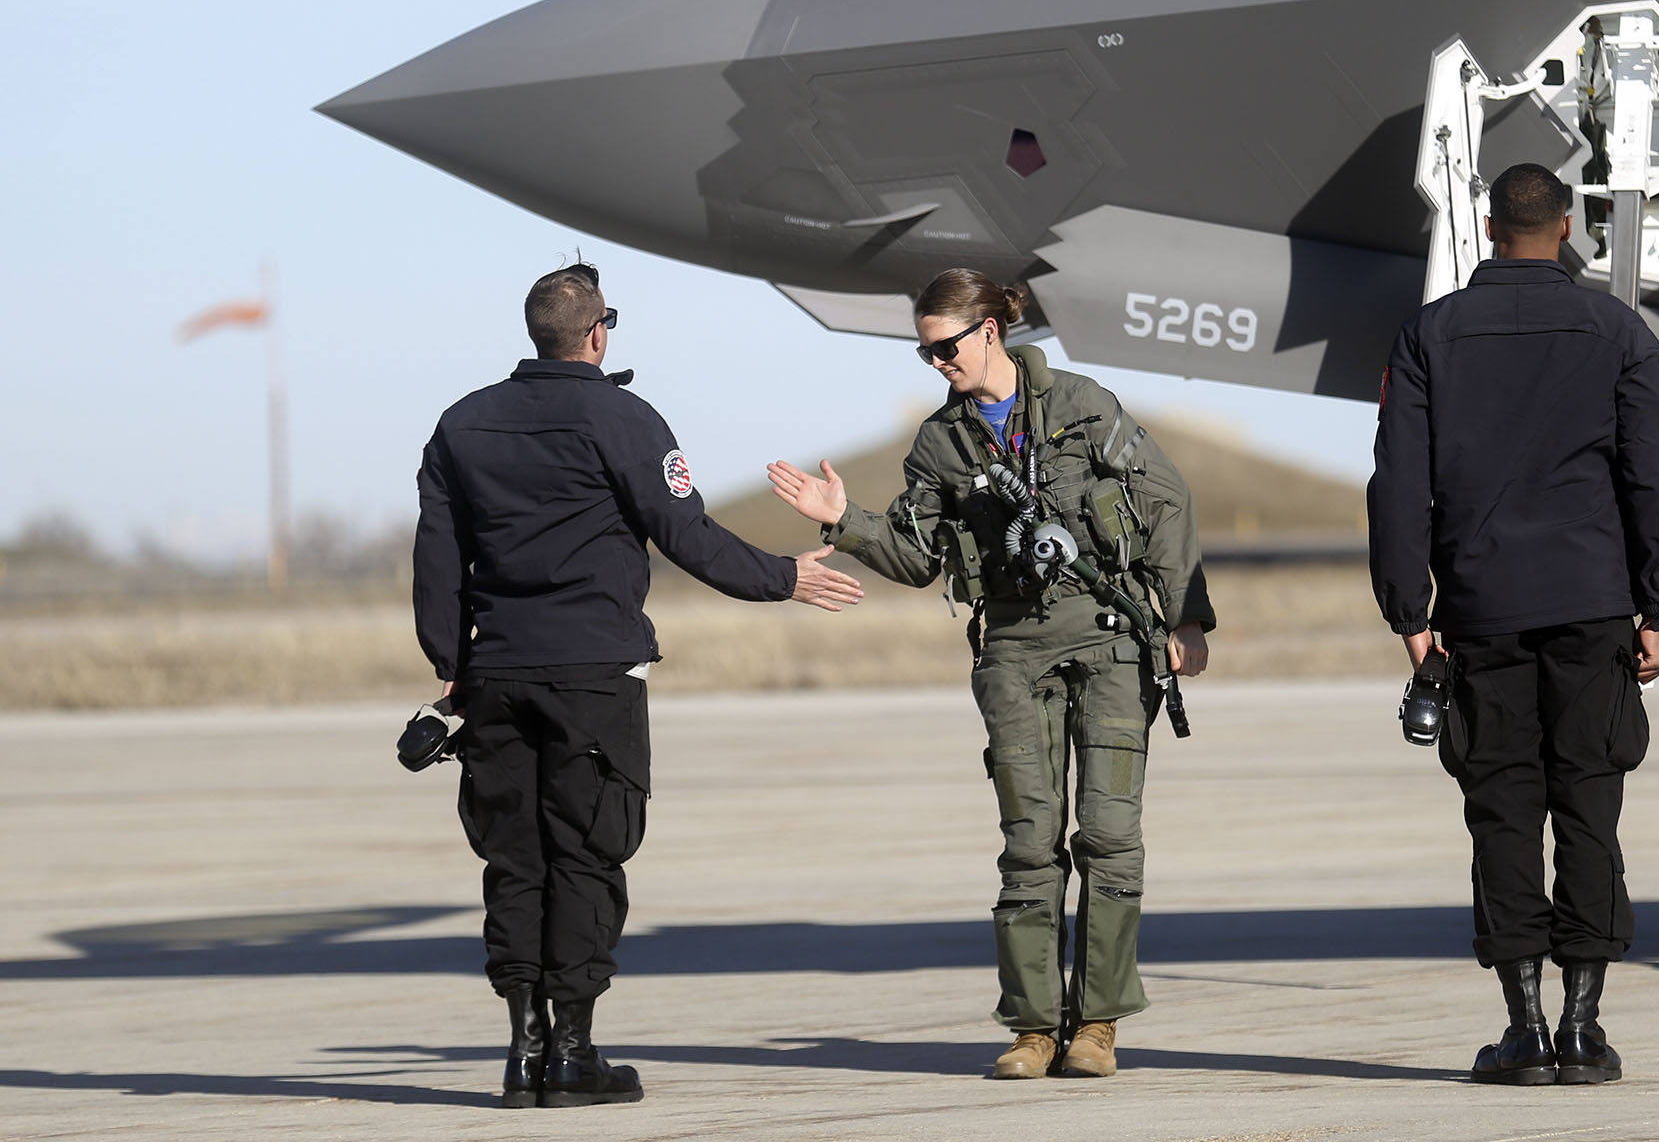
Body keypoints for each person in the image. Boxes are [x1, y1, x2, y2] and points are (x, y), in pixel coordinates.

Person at [413, 263, 862, 1108]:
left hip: (496, 675)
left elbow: (436, 556)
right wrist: (782, 578)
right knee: (586, 853)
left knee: (515, 860)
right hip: (593, 677)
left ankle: (521, 1050)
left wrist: (451, 669)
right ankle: (574, 1055)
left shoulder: (460, 424)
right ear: (597, 333)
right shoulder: (622, 417)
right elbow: (684, 533)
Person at [768, 269, 1213, 1081]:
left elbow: (1167, 502)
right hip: (1012, 650)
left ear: (990, 333)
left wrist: (1187, 618)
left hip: (1112, 641)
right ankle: (1035, 1028)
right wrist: (845, 519)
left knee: (1110, 838)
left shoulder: (1085, 406)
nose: (937, 363)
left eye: (946, 346)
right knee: (1029, 845)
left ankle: (1100, 1026)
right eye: (924, 351)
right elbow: (914, 556)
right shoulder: (941, 445)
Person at [1366, 163, 1659, 1088]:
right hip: (1593, 606)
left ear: (1488, 224)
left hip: (1480, 611)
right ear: (1570, 224)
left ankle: (1525, 1032)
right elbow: (1650, 477)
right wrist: (1655, 608)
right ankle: (1585, 1030)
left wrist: (1410, 616)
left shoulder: (1430, 334)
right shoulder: (1620, 331)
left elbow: (1399, 484)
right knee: (1590, 803)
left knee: (1503, 810)